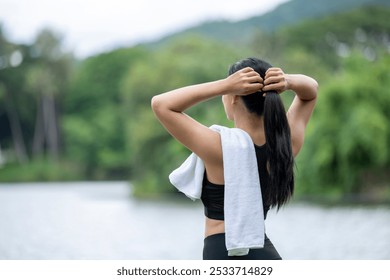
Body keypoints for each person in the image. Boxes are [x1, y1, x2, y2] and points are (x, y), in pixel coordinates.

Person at [151, 57, 318, 260]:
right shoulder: (285, 143)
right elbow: (310, 92)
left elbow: (161, 104)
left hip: (223, 252)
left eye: (226, 92)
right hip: (263, 251)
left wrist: (223, 85)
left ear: (234, 97)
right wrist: (288, 81)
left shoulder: (220, 147)